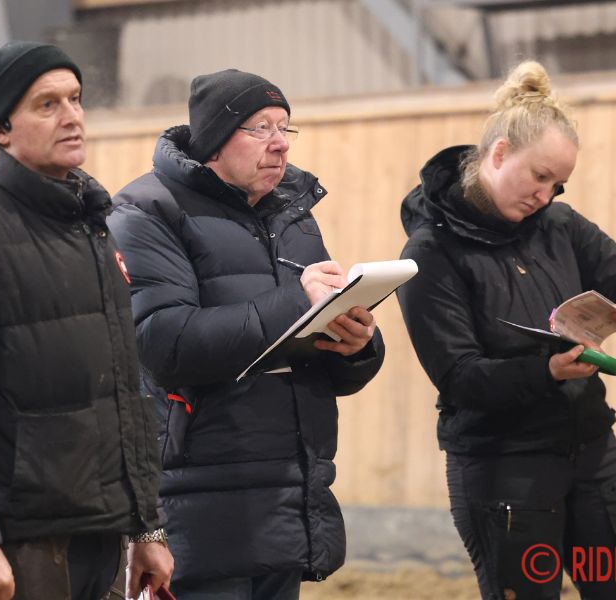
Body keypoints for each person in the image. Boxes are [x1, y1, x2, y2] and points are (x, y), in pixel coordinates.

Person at [395, 61, 616, 600]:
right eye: (539, 177)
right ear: (499, 153)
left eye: (557, 184)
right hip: (502, 466)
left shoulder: (559, 225)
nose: (545, 195)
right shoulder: (429, 253)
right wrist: (546, 370)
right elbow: (460, 378)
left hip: (591, 448)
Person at [0, 41, 173, 600]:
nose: (72, 116)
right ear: (2, 129)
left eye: (75, 99)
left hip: (105, 535)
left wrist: (146, 526)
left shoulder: (93, 225)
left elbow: (126, 395)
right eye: (47, 104)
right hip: (26, 543)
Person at [106, 69, 386, 599]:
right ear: (214, 140)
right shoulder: (146, 212)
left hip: (287, 494)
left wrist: (355, 346)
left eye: (284, 127)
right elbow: (164, 342)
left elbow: (310, 350)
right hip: (200, 497)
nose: (280, 143)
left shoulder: (291, 214)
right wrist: (297, 300)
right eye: (260, 128)